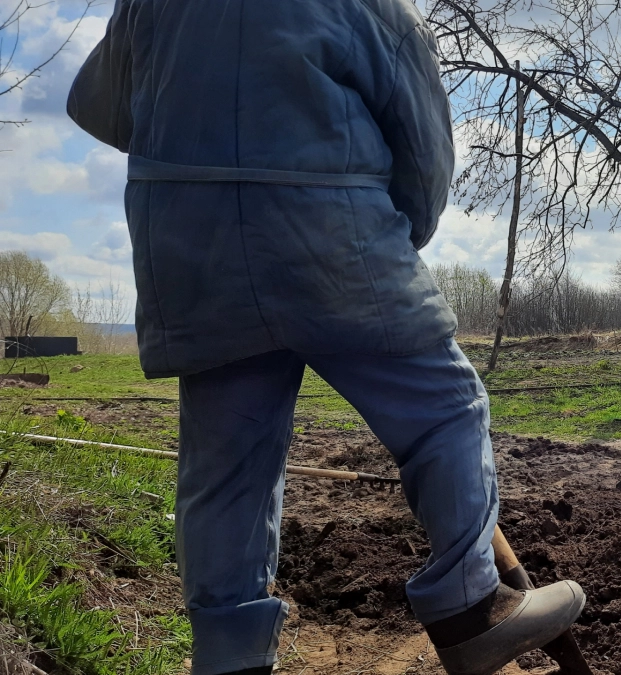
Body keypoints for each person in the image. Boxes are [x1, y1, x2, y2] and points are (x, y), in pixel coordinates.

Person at [66, 0, 585, 672]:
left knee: (228, 466)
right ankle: (469, 608)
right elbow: (424, 161)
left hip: (191, 251)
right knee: (444, 410)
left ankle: (229, 655)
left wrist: (199, 155)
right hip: (333, 237)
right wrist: (392, 237)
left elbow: (96, 104)